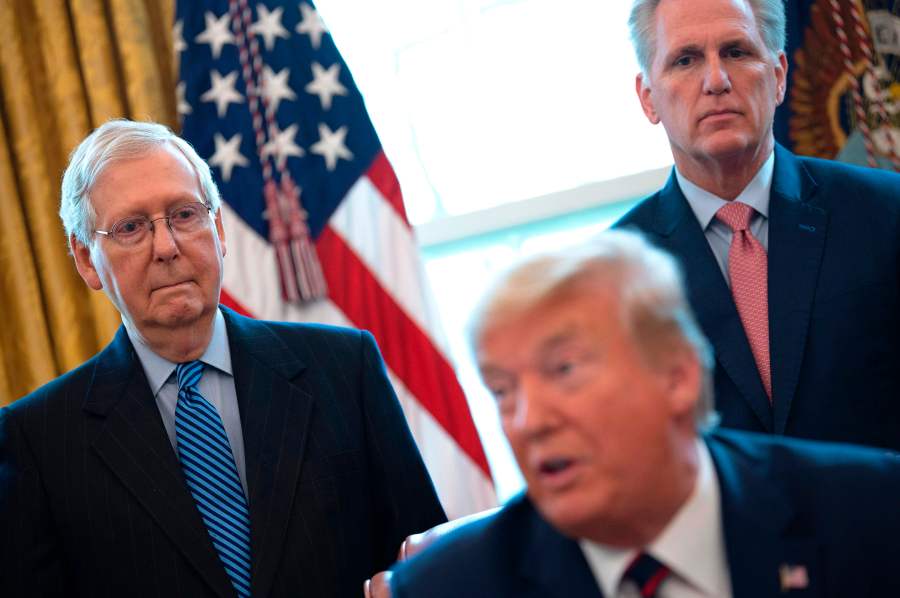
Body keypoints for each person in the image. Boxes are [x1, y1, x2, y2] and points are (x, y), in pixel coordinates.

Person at [0, 119, 446, 597]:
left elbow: (433, 566)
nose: (167, 247)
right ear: (87, 259)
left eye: (184, 215)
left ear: (217, 228)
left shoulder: (344, 367)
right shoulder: (35, 440)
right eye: (131, 228)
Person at [389, 230, 900, 597]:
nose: (528, 421)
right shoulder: (447, 587)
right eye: (502, 390)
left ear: (677, 376)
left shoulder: (871, 513)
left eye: (564, 370)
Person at [615, 0, 900, 450]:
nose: (716, 81)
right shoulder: (615, 275)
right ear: (648, 98)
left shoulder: (886, 211)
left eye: (736, 52)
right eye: (685, 60)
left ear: (780, 74)